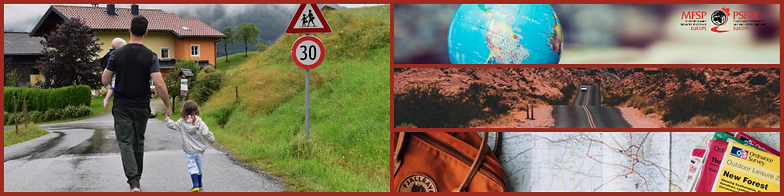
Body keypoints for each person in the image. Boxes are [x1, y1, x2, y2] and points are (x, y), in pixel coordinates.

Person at [102, 15, 172, 192]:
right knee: (138, 142)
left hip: (121, 105)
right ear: (146, 32)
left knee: (125, 142)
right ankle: (137, 179)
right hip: (141, 106)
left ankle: (133, 181)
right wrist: (168, 106)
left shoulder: (116, 54)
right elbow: (159, 83)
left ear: (129, 30)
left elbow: (105, 80)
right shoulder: (151, 55)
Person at [164, 100, 215, 192]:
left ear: (184, 111)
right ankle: (200, 184)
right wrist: (211, 139)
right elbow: (206, 133)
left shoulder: (182, 123)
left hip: (189, 151)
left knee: (192, 167)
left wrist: (168, 119)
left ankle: (195, 185)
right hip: (199, 150)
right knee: (199, 166)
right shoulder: (200, 123)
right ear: (196, 110)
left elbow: (173, 125)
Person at [101, 37, 127, 110]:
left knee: (113, 86)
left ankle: (107, 99)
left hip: (113, 73)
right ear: (121, 47)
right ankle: (106, 99)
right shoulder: (117, 54)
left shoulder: (110, 54)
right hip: (115, 74)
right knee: (113, 86)